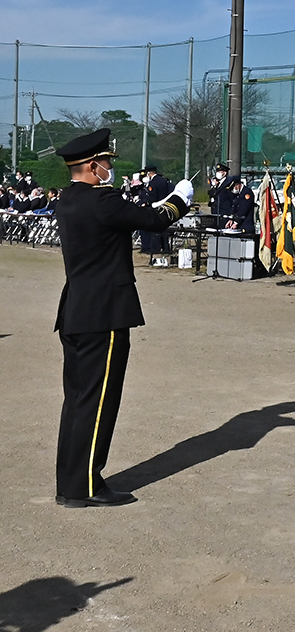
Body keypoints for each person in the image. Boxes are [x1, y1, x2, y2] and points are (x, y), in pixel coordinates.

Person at [52, 128, 193, 507]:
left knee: (78, 400)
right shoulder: (103, 201)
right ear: (94, 166)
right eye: (107, 162)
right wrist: (181, 198)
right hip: (104, 313)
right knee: (99, 401)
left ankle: (70, 482)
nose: (110, 168)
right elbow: (154, 220)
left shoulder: (68, 200)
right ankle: (85, 487)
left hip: (77, 310)